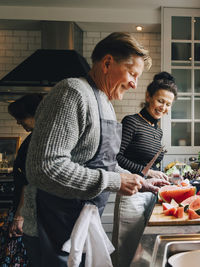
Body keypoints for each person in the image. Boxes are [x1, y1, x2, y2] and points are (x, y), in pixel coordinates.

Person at [25, 32, 169, 266]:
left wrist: (138, 179)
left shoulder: (105, 103)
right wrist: (115, 181)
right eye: (132, 74)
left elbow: (105, 163)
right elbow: (44, 167)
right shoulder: (72, 92)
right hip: (51, 226)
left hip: (79, 223)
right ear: (108, 63)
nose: (134, 83)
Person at [113, 72, 177, 267]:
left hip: (149, 194)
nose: (163, 107)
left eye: (168, 104)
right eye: (160, 101)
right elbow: (117, 157)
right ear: (148, 97)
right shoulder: (131, 122)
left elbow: (153, 164)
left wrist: (162, 174)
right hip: (130, 193)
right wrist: (146, 172)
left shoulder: (157, 130)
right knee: (126, 250)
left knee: (144, 251)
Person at [7, 93, 43, 266]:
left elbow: (29, 182)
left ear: (33, 114)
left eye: (20, 118)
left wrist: (19, 217)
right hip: (33, 212)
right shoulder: (37, 138)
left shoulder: (35, 142)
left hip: (28, 213)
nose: (18, 122)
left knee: (19, 257)